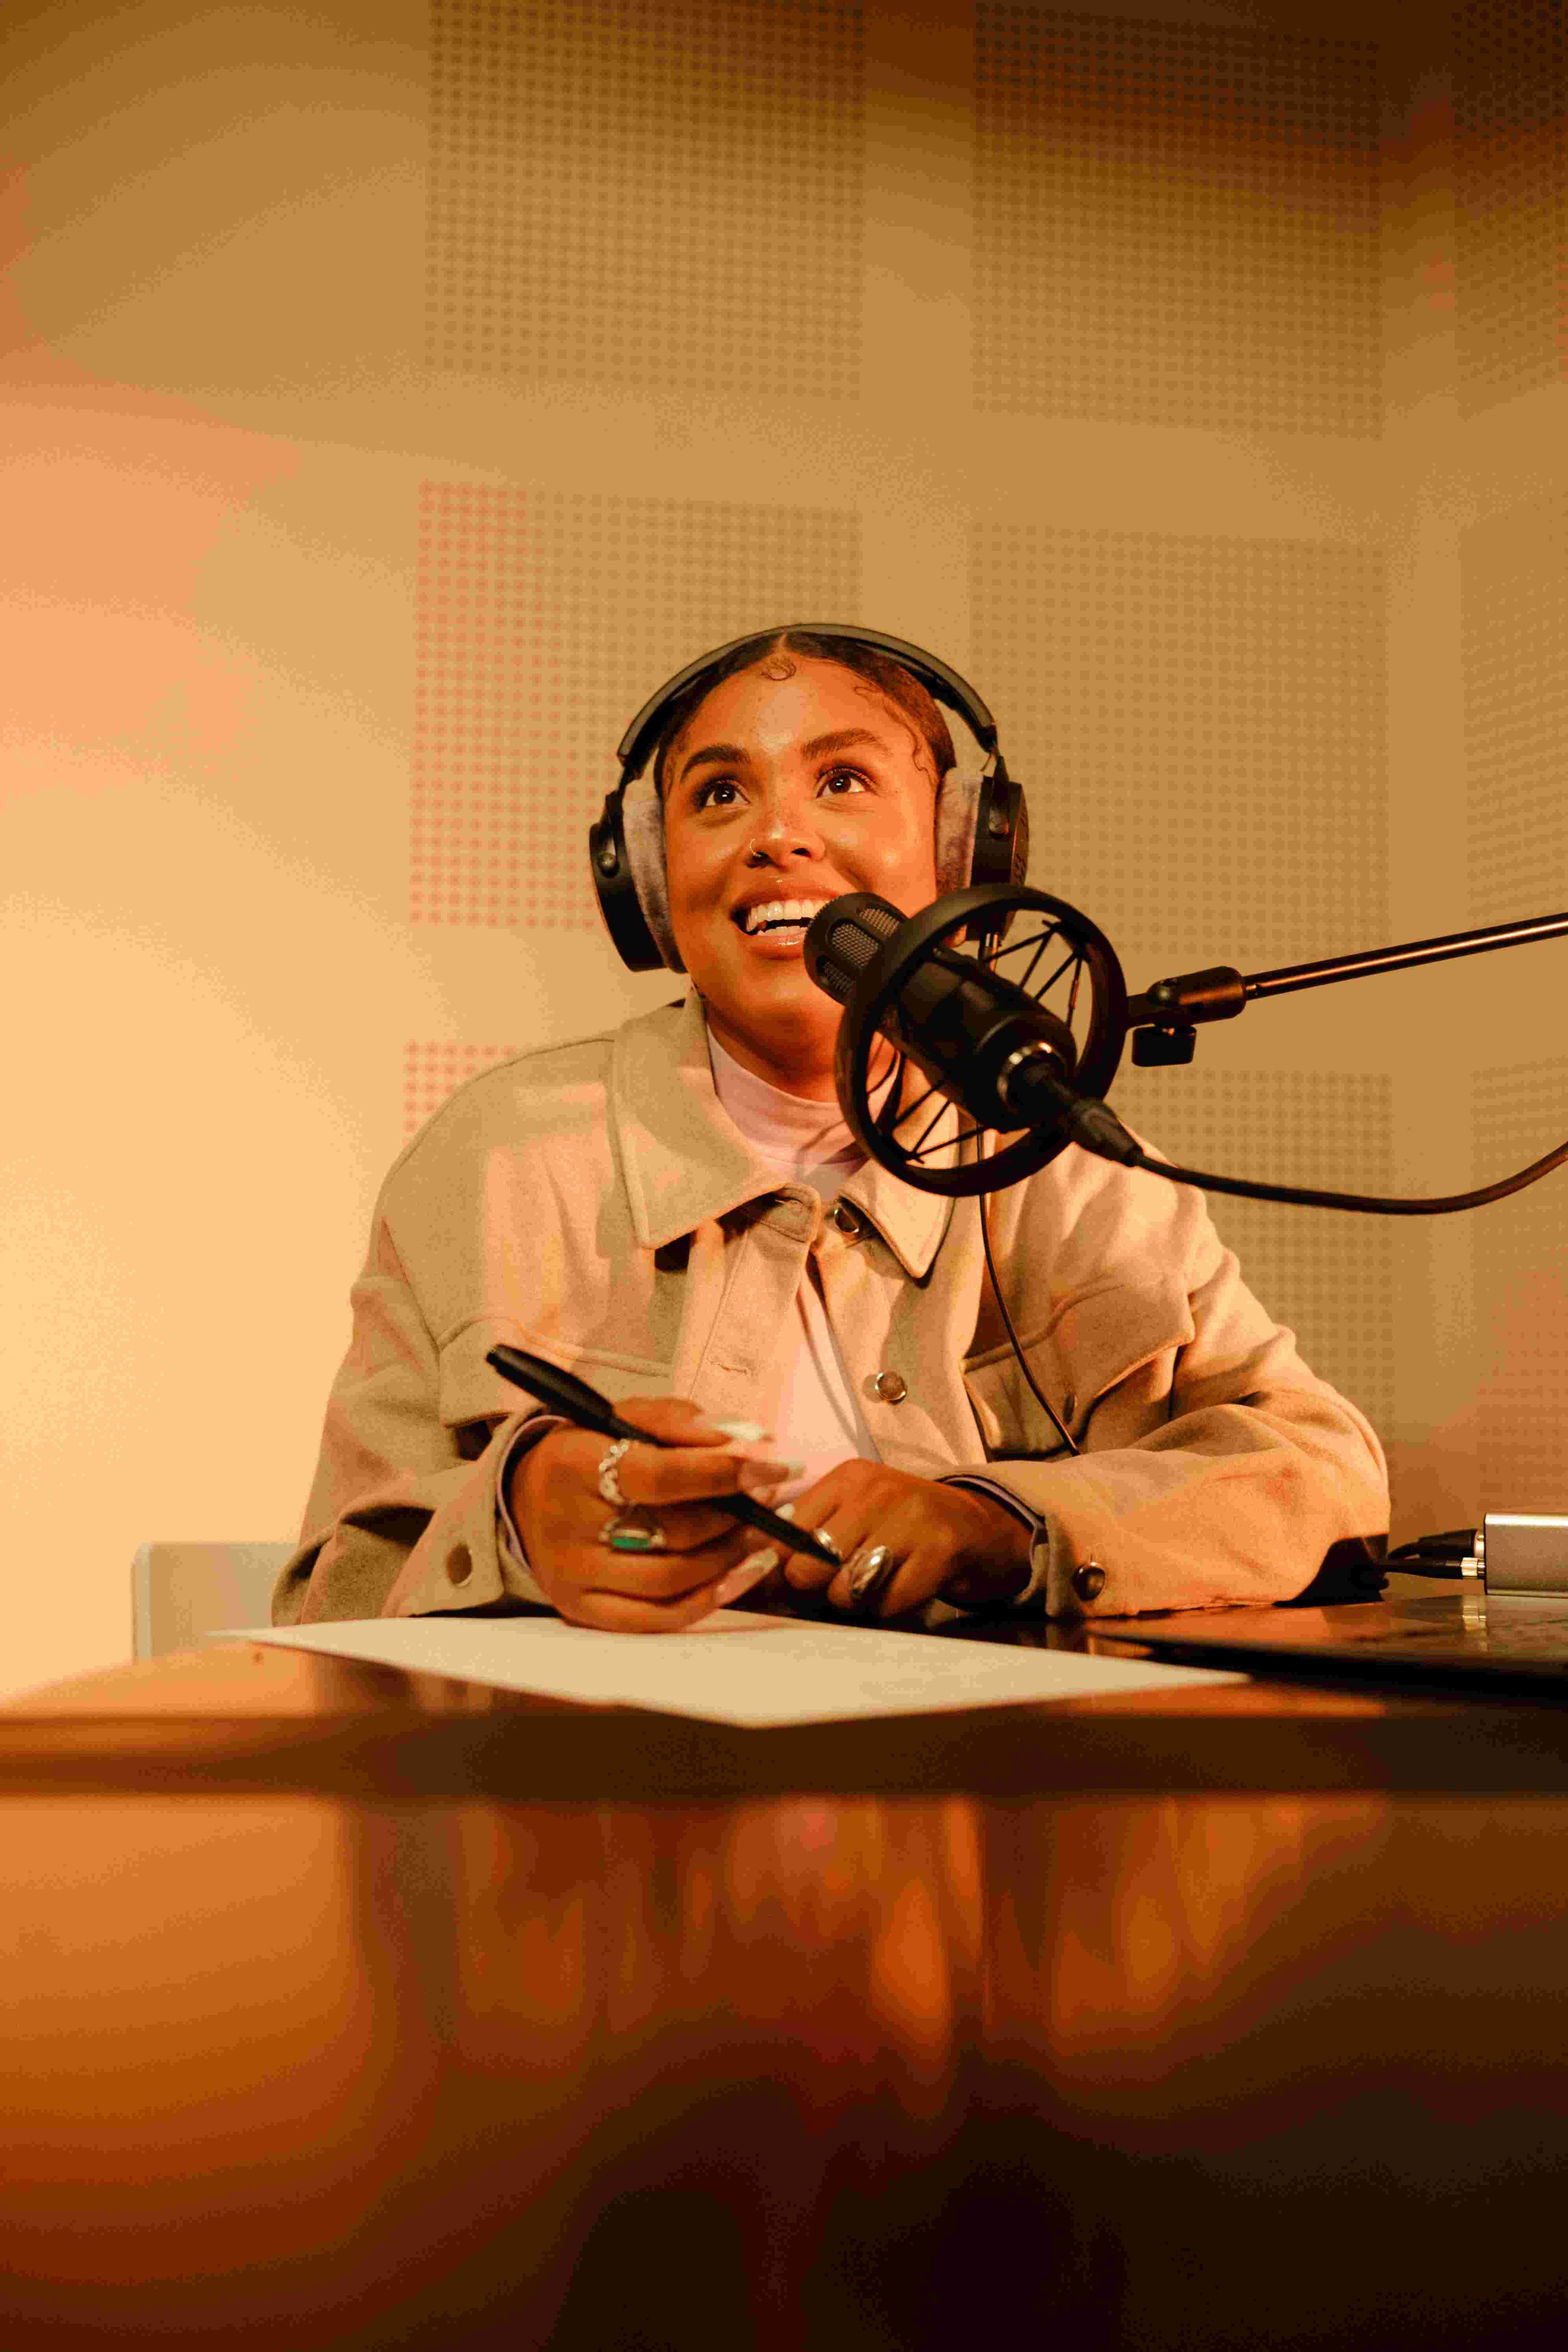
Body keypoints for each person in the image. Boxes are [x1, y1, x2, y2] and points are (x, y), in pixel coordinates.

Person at [274, 628, 1389, 1633]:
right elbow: (334, 1593)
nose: (779, 837)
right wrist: (514, 1525)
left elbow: (1326, 1475)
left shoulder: (1075, 1169)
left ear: (962, 854)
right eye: (720, 795)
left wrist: (1004, 1523)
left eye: (843, 781)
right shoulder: (493, 1157)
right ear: (652, 884)